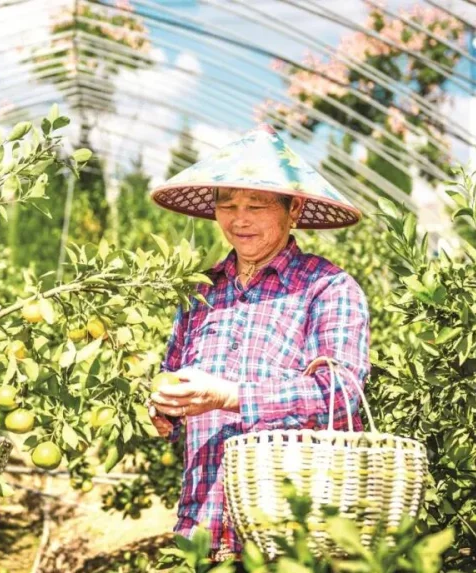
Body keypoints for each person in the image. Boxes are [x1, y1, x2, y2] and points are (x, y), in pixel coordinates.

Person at [147, 124, 370, 564]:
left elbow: (341, 393)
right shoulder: (199, 291)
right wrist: (163, 405)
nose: (238, 219)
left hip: (293, 531)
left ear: (295, 209)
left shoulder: (327, 288)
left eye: (255, 205)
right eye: (227, 205)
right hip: (204, 526)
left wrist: (231, 396)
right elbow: (171, 372)